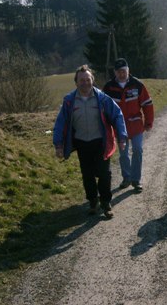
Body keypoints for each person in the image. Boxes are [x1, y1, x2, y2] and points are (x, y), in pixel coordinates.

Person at [53, 65, 127, 218]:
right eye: (81, 80)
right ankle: (93, 201)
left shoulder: (103, 99)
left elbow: (117, 116)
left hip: (101, 142)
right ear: (76, 82)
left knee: (104, 173)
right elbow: (60, 123)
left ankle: (106, 202)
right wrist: (59, 145)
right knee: (87, 175)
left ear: (92, 81)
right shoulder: (69, 101)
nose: (85, 83)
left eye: (88, 79)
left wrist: (121, 137)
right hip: (82, 143)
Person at [103, 58, 154, 193]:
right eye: (119, 71)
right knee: (123, 154)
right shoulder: (109, 87)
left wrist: (149, 122)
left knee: (137, 150)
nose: (122, 74)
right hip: (119, 127)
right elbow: (103, 108)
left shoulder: (137, 85)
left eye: (124, 71)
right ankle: (127, 178)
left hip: (136, 125)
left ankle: (136, 180)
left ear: (128, 70)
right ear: (115, 72)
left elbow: (147, 104)